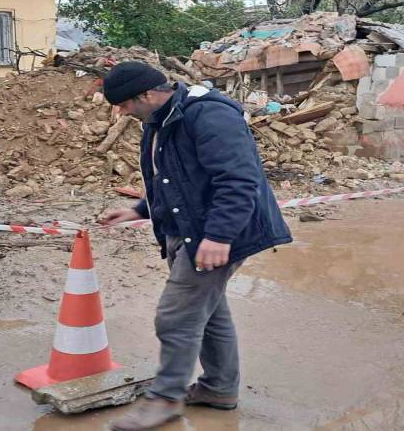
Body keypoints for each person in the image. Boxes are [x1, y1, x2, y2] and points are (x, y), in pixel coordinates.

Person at [101, 61, 291, 430]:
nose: (120, 112)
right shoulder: (159, 121)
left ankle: (166, 399)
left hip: (215, 233)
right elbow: (171, 177)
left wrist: (219, 236)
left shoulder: (208, 115)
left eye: (124, 103)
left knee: (176, 315)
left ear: (145, 94)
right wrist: (139, 209)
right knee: (210, 314)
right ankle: (219, 388)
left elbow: (238, 180)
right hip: (187, 229)